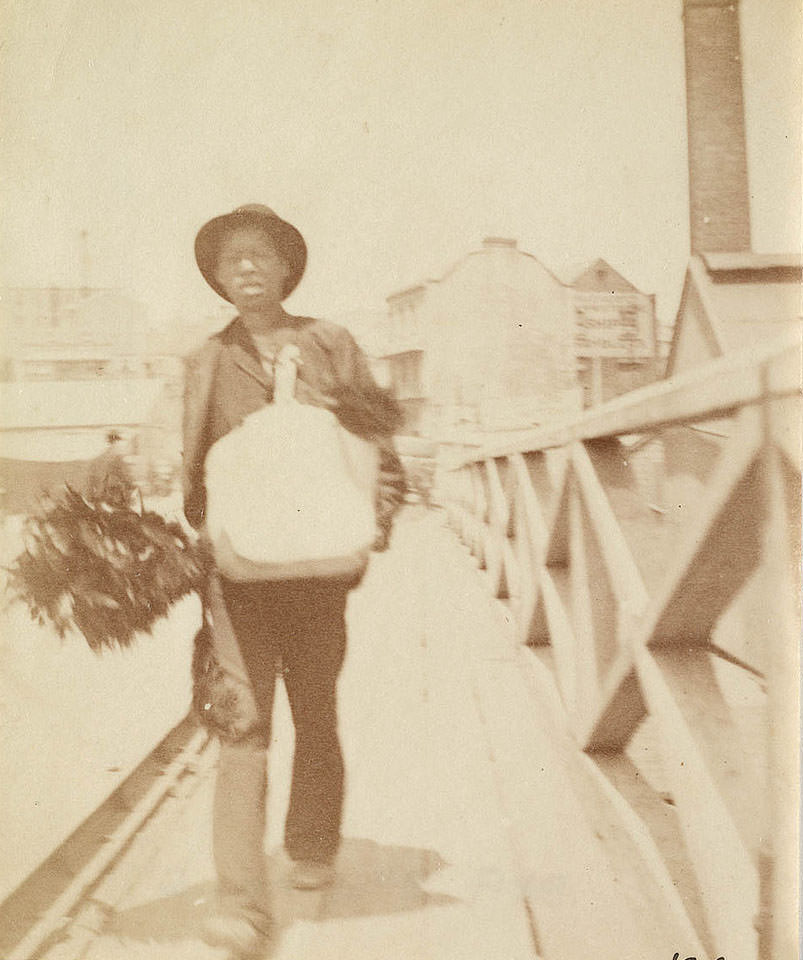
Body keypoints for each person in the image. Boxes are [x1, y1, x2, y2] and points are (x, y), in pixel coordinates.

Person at [182, 204, 405, 955]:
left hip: (317, 576)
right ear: (216, 278)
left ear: (285, 267)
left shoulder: (329, 342)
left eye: (258, 255)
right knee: (241, 726)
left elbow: (378, 443)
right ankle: (240, 902)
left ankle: (311, 844)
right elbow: (194, 470)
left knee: (316, 710)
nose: (244, 268)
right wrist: (205, 544)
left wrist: (372, 525)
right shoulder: (207, 359)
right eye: (229, 260)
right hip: (239, 574)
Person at [86, 430, 135, 508]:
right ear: (117, 441)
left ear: (108, 441)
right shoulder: (118, 458)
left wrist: (90, 497)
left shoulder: (97, 459)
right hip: (114, 501)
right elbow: (127, 479)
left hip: (99, 500)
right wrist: (131, 486)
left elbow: (90, 480)